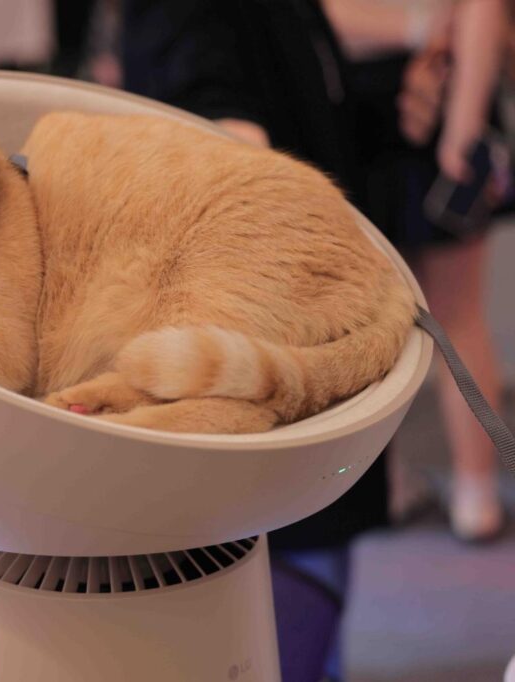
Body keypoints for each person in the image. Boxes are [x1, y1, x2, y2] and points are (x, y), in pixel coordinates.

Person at [121, 2, 387, 680]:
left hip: (303, 326)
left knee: (305, 542)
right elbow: (216, 122)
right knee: (276, 555)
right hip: (267, 340)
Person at [324, 0, 509, 541]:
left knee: (389, 320)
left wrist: (462, 131)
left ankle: (419, 486)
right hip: (410, 104)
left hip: (390, 104)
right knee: (433, 318)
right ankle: (469, 492)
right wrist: (464, 131)